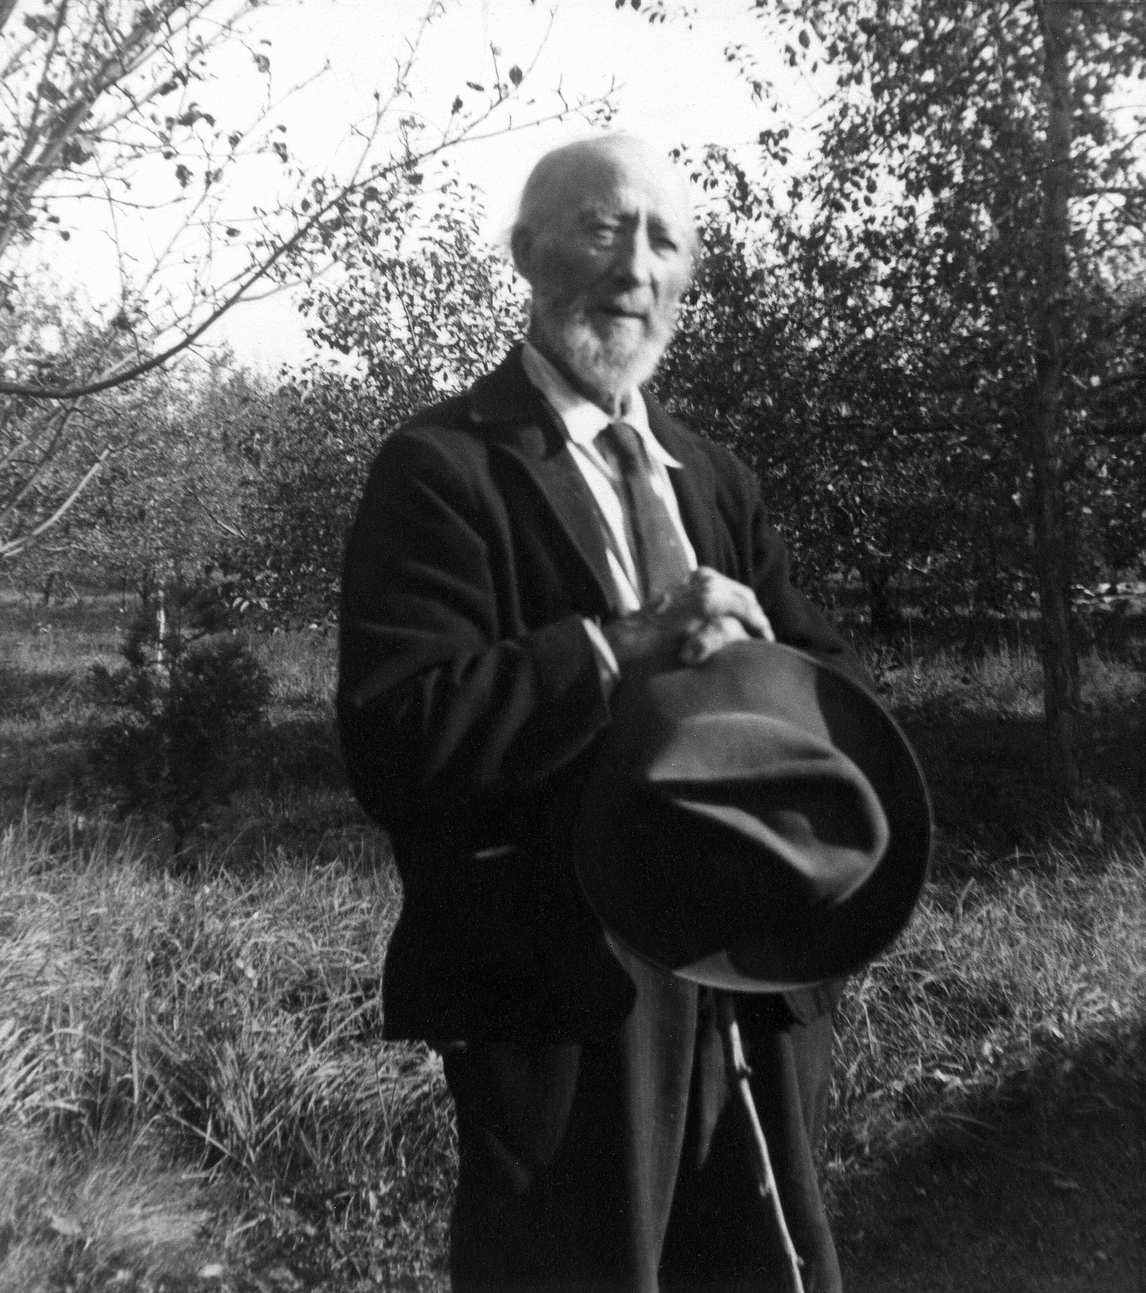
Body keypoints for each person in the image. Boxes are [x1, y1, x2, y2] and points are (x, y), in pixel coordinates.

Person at [338, 133, 860, 1292]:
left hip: (747, 969)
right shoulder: (440, 470)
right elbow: (398, 734)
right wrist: (623, 650)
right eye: (600, 227)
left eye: (664, 240)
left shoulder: (712, 476)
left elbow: (828, 682)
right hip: (565, 995)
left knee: (761, 1268)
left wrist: (773, 685)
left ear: (687, 283)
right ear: (526, 254)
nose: (633, 266)